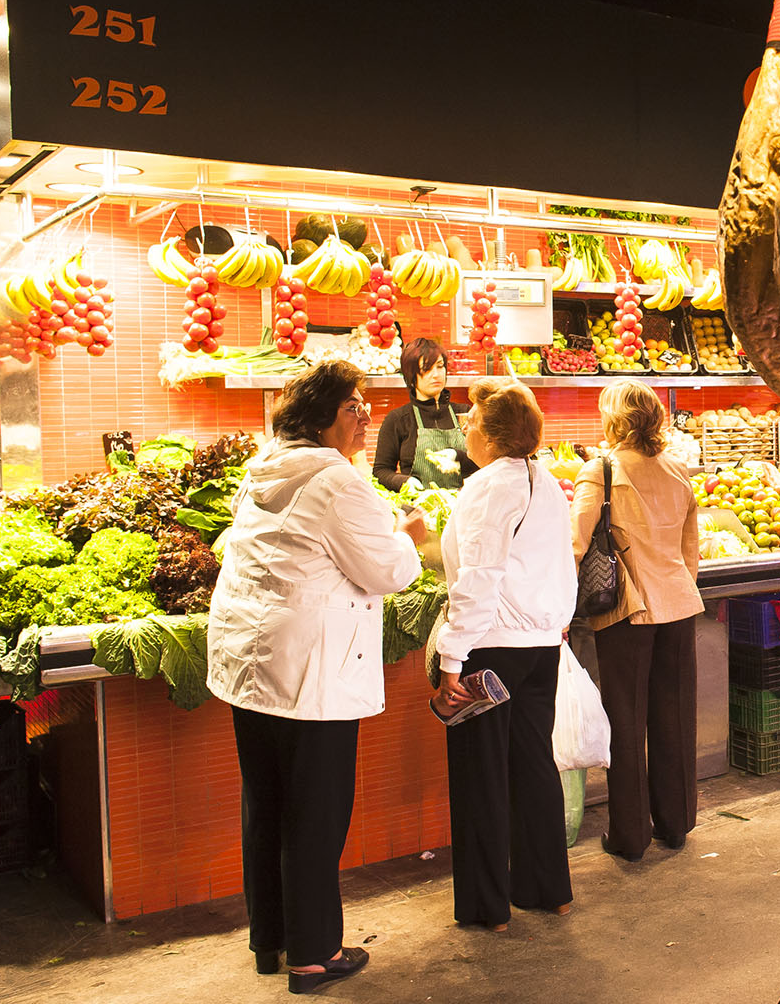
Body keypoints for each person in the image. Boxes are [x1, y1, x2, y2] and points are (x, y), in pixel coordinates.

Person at [206, 360, 427, 995]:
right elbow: (386, 571)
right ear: (321, 416)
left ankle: (270, 939)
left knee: (267, 804)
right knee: (316, 813)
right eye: (353, 406)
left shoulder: (264, 470)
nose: (364, 415)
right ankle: (314, 953)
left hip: (252, 662)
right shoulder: (337, 483)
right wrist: (407, 534)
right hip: (311, 672)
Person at [429, 377, 577, 932]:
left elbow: (479, 578)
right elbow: (560, 564)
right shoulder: (544, 480)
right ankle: (548, 890)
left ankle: (487, 908)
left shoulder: (489, 487)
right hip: (540, 646)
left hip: (491, 647)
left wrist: (451, 658)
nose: (464, 427)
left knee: (481, 777)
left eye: (471, 421)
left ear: (491, 436)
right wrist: (555, 624)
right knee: (532, 763)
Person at [571, 380, 704, 861]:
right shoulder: (678, 469)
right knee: (675, 717)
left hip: (627, 613)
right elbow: (691, 550)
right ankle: (676, 824)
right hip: (678, 606)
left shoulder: (600, 470)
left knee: (625, 722)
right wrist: (676, 585)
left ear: (615, 420)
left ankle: (630, 836)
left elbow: (576, 544)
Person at [373, 338, 474, 491]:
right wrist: (404, 481)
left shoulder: (464, 413)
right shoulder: (398, 419)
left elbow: (486, 461)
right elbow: (381, 471)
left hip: (463, 505)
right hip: (418, 507)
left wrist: (457, 456)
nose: (436, 375)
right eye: (426, 369)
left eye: (440, 367)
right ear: (411, 376)